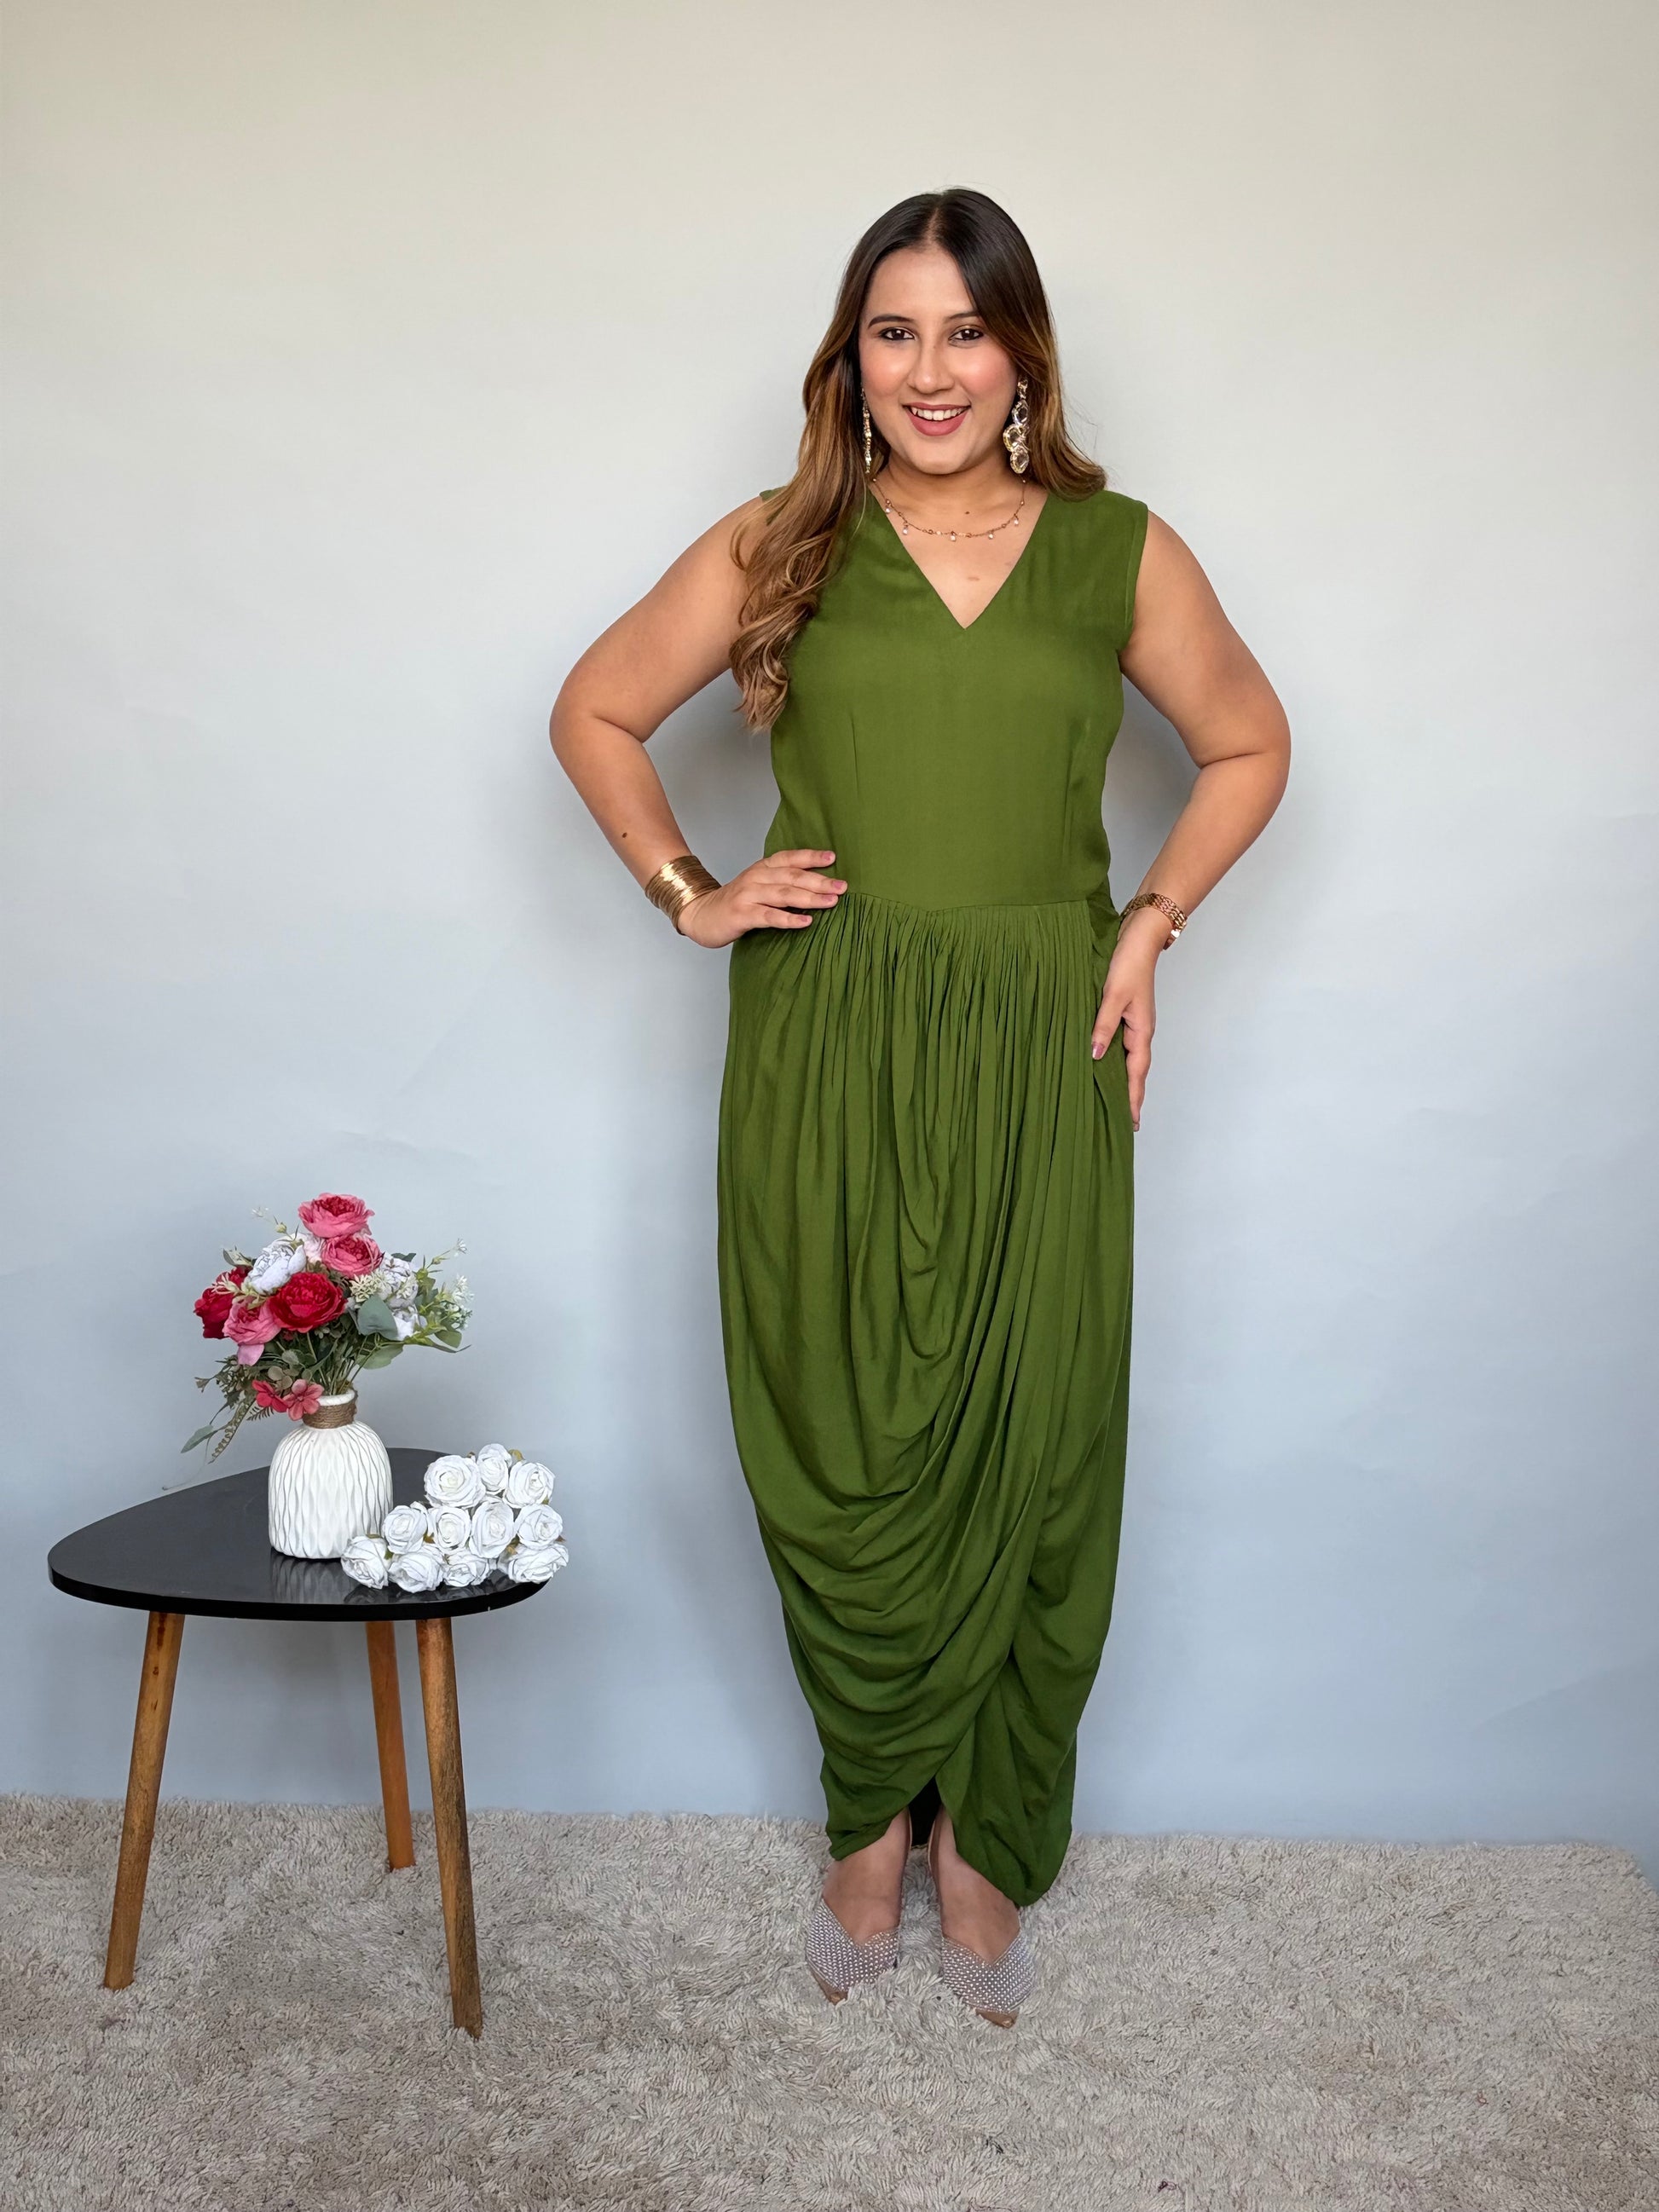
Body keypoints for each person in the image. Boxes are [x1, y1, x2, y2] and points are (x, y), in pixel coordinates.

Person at [550, 187, 1290, 2027]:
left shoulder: (1117, 548)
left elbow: (1248, 741)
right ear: (851, 357)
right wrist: (689, 890)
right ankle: (868, 1818)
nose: (932, 369)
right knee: (841, 1425)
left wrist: (1148, 923)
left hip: (1043, 1033)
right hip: (830, 1030)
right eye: (896, 332)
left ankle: (986, 1841)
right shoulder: (782, 541)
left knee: (1038, 1431)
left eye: (968, 330)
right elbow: (594, 710)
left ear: (1023, 355)